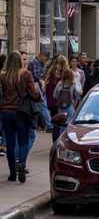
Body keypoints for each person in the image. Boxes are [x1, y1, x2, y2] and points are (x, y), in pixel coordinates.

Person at [0, 51, 41, 183]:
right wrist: (38, 98)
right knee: (23, 140)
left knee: (10, 143)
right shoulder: (25, 74)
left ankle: (12, 171)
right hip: (21, 112)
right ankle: (21, 163)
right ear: (19, 62)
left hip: (6, 112)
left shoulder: (3, 76)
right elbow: (33, 93)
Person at [27, 51, 53, 135]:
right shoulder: (35, 63)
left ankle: (43, 124)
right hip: (37, 88)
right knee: (43, 106)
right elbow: (35, 75)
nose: (46, 60)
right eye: (45, 58)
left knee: (40, 107)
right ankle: (50, 125)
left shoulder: (39, 64)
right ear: (41, 56)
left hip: (39, 88)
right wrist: (44, 76)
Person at [42, 56, 67, 142]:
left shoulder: (50, 74)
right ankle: (59, 143)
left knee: (55, 124)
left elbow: (44, 89)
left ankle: (55, 143)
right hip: (62, 102)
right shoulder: (65, 74)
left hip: (51, 103)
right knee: (62, 124)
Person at [53, 68, 81, 140]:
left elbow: (54, 95)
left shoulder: (60, 83)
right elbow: (78, 91)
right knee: (69, 123)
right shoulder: (73, 84)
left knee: (61, 123)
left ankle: (61, 139)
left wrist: (60, 98)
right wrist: (76, 99)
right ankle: (68, 139)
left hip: (61, 106)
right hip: (70, 104)